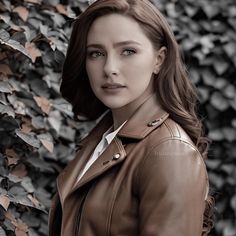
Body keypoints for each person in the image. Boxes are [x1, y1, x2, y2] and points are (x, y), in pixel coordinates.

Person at [48, 0, 214, 235]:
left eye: (128, 51)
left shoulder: (169, 151)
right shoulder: (101, 140)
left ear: (159, 59)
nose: (109, 68)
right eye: (96, 53)